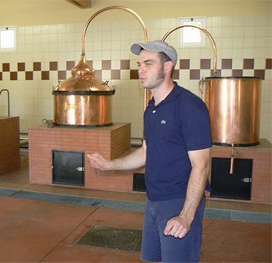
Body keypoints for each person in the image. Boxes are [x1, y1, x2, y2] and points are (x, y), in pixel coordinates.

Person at [87, 40, 212, 263]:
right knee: (151, 258)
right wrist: (110, 164)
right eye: (139, 64)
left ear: (167, 67)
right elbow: (146, 151)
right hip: (154, 200)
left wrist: (185, 216)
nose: (141, 70)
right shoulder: (151, 108)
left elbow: (201, 165)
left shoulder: (189, 106)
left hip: (178, 202)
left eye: (148, 64)